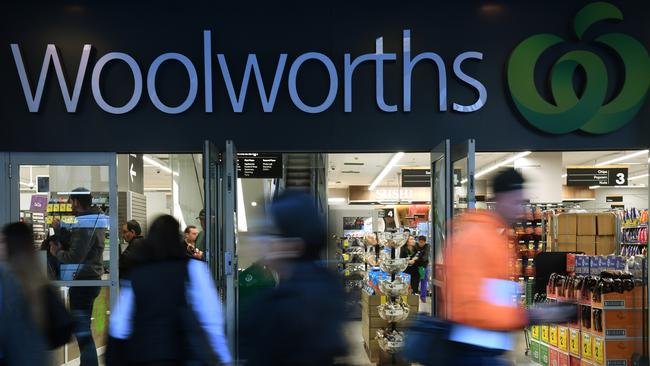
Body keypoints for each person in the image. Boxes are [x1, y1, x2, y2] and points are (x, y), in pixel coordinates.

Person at [444, 170, 574, 365]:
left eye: (523, 203)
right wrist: (530, 315)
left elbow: (492, 296)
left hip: (488, 350)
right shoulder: (476, 238)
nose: (520, 210)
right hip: (472, 352)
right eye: (515, 202)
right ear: (499, 199)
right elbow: (472, 307)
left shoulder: (496, 237)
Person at [106, 215, 232, 365]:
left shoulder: (136, 273)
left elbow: (119, 324)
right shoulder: (193, 268)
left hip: (142, 355)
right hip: (180, 355)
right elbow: (211, 319)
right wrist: (224, 357)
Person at [239, 191, 347, 365]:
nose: (258, 239)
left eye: (269, 232)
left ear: (293, 244)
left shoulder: (278, 307)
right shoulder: (327, 285)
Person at [50, 187, 109, 366]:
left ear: (76, 202)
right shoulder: (93, 220)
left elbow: (74, 257)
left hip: (83, 282)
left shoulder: (86, 223)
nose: (70, 205)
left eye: (70, 201)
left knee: (82, 332)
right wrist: (61, 231)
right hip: (89, 280)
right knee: (82, 330)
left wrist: (56, 251)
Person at [415, 235, 430, 302]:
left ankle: (423, 297)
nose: (421, 244)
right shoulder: (415, 245)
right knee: (415, 281)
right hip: (415, 266)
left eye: (422, 242)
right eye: (420, 242)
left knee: (423, 281)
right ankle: (414, 297)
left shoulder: (427, 246)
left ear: (425, 242)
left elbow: (425, 257)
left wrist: (418, 257)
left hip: (422, 267)